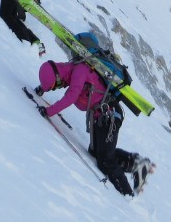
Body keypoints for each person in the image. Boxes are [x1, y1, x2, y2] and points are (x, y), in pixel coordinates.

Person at [34, 59, 154, 196]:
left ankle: (127, 195)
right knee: (96, 152)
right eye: (53, 87)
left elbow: (71, 97)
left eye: (55, 85)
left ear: (57, 76)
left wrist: (48, 111)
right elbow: (54, 79)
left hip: (110, 116)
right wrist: (43, 88)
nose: (57, 87)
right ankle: (137, 164)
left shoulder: (79, 71)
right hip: (101, 117)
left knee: (105, 162)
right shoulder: (69, 70)